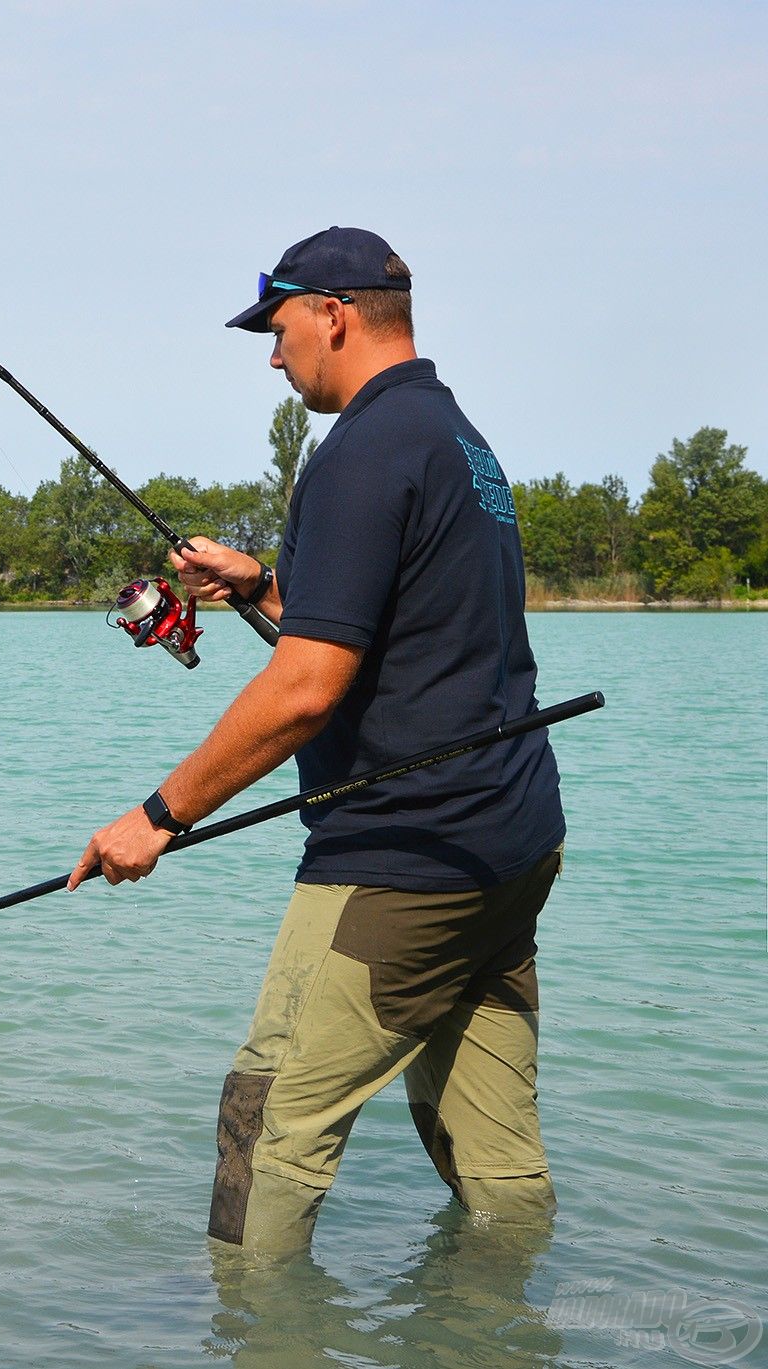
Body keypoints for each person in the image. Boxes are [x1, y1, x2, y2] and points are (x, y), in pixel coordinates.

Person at [68, 226, 567, 1251]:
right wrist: (262, 584)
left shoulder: (361, 453)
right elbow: (401, 623)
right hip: (509, 848)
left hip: (401, 864)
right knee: (497, 1163)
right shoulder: (456, 441)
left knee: (269, 1133)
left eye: (279, 324)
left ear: (334, 314)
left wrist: (158, 816)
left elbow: (305, 687)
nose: (272, 351)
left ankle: (252, 1336)